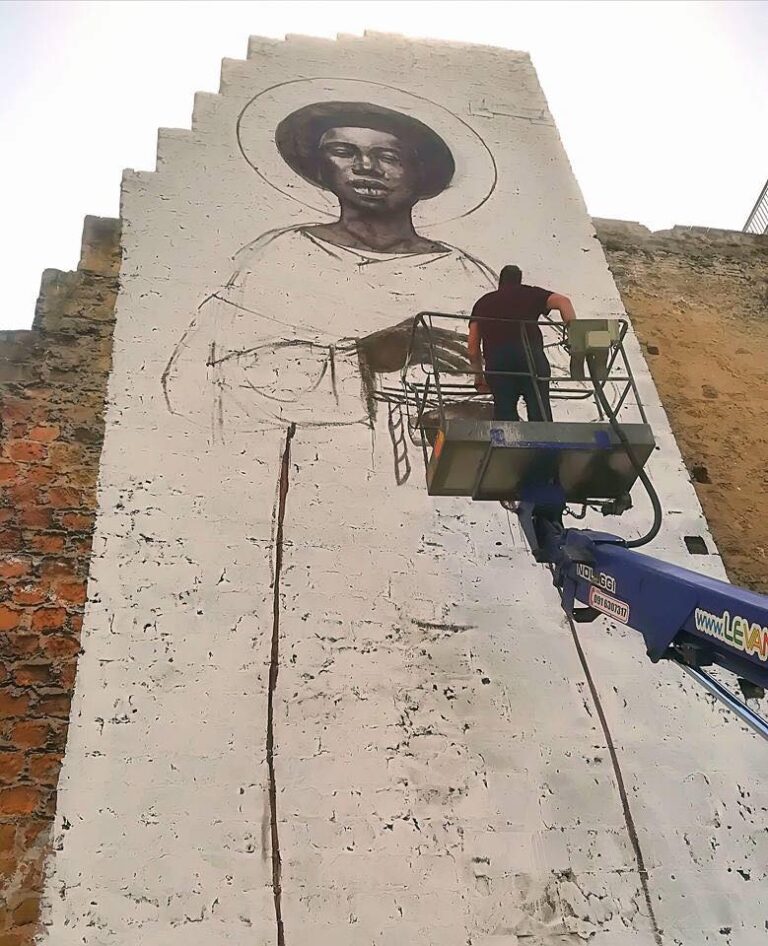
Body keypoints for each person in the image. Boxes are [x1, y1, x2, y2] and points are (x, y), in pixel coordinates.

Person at [163, 101, 496, 439]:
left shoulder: (467, 276)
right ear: (321, 169)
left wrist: (482, 410)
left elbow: (541, 383)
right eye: (343, 152)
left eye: (389, 157)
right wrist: (364, 358)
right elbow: (190, 384)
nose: (366, 167)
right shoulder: (277, 257)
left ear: (420, 173)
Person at [467, 265, 576, 422]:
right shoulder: (530, 293)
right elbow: (563, 301)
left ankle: (507, 444)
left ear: (500, 282)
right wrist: (573, 333)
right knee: (540, 414)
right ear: (519, 280)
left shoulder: (483, 303)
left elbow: (472, 348)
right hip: (531, 359)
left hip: (499, 363)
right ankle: (544, 443)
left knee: (505, 418)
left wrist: (478, 378)